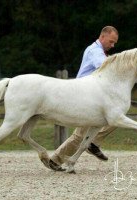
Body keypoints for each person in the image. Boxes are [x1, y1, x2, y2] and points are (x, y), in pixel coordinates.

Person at [48, 26, 119, 171]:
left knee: (81, 134)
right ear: (102, 37)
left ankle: (56, 159)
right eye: (111, 42)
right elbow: (105, 67)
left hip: (89, 97)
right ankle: (93, 143)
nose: (112, 45)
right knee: (113, 118)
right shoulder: (95, 52)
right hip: (83, 97)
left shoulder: (99, 51)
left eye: (114, 43)